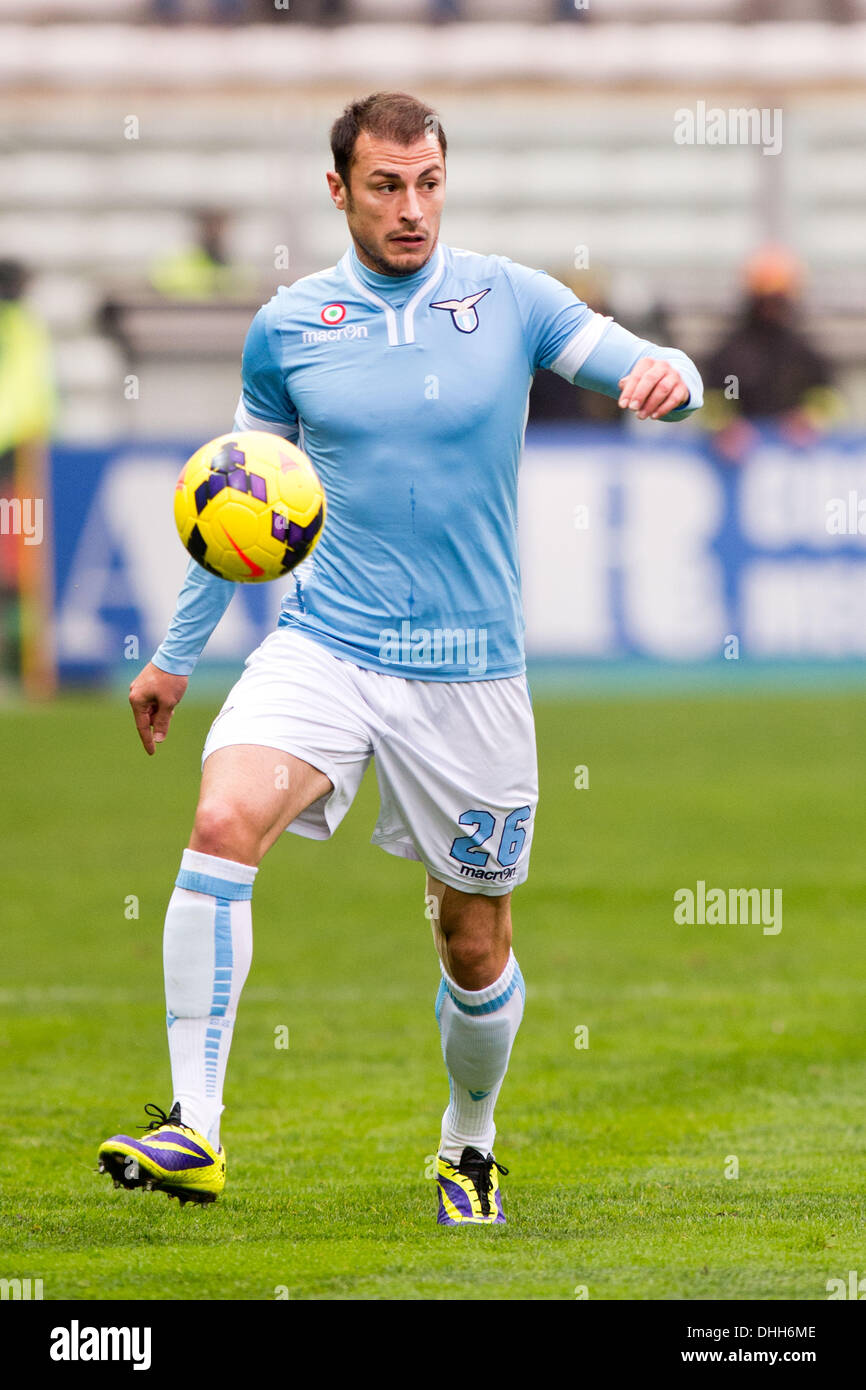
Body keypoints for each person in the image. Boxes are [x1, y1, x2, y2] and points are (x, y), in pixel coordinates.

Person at [97, 92, 702, 1225]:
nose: (410, 207)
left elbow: (633, 362)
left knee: (472, 942)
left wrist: (663, 375)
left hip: (469, 673)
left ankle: (468, 1141)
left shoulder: (507, 296)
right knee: (223, 819)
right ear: (339, 190)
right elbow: (235, 500)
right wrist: (176, 657)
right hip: (326, 644)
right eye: (385, 185)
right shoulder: (287, 326)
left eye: (427, 182)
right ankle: (195, 1125)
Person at [702, 245, 843, 463]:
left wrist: (809, 419)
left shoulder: (804, 354)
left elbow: (829, 397)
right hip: (739, 464)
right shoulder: (730, 354)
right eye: (765, 301)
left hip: (793, 465)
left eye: (777, 300)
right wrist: (726, 425)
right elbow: (713, 397)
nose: (771, 308)